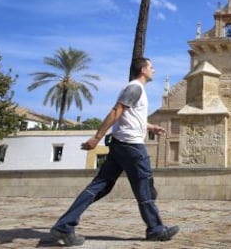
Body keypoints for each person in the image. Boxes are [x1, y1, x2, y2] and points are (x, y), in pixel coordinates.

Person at [50, 57, 179, 246]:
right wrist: (97, 137)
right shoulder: (135, 88)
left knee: (100, 185)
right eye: (151, 67)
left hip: (121, 145)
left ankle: (64, 225)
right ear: (143, 69)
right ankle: (156, 229)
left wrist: (151, 127)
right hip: (132, 147)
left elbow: (131, 118)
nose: (154, 70)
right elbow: (116, 112)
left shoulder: (135, 89)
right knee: (144, 186)